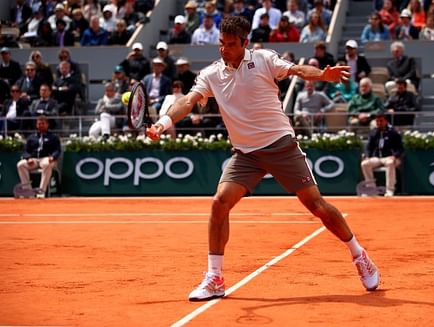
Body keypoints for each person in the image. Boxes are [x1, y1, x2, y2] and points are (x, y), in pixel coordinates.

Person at [147, 15, 380, 302]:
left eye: (231, 45)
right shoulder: (211, 74)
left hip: (281, 146)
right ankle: (215, 277)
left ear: (245, 43)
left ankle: (359, 255)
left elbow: (297, 70)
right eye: (221, 44)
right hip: (246, 155)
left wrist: (322, 75)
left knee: (317, 206)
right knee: (220, 202)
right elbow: (188, 102)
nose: (224, 49)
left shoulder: (264, 59)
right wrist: (163, 123)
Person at [16, 115, 61, 198]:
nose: (40, 125)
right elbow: (26, 151)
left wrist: (53, 157)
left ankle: (41, 192)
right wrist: (28, 158)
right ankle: (28, 192)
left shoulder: (53, 137)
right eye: (39, 124)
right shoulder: (31, 137)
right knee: (20, 165)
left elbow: (57, 150)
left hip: (47, 159)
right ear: (36, 125)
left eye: (43, 123)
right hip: (34, 160)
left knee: (46, 164)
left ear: (47, 125)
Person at [360, 113, 403, 197]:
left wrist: (395, 156)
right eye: (377, 121)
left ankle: (390, 190)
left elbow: (400, 148)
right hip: (377, 158)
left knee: (390, 163)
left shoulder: (393, 133)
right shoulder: (373, 133)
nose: (379, 123)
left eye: (381, 121)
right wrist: (367, 156)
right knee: (364, 164)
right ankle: (371, 189)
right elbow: (369, 147)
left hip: (390, 157)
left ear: (386, 121)